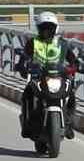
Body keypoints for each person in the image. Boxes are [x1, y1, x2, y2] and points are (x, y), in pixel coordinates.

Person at [16, 11, 78, 141]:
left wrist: (76, 66)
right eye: (44, 28)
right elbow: (25, 57)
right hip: (39, 77)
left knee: (71, 95)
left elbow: (72, 59)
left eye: (50, 28)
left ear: (55, 28)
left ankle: (69, 124)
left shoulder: (62, 43)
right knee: (27, 94)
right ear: (39, 29)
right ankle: (27, 124)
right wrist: (21, 66)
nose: (46, 31)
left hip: (59, 76)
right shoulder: (33, 43)